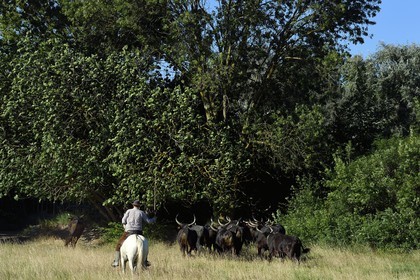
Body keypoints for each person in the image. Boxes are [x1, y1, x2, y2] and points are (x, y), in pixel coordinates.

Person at [111, 199, 157, 267]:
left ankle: (116, 261)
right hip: (138, 232)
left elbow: (123, 220)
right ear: (139, 206)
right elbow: (148, 221)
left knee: (118, 244)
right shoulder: (141, 212)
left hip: (128, 232)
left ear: (133, 205)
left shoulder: (128, 211)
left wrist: (125, 227)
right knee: (144, 245)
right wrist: (154, 218)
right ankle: (145, 261)